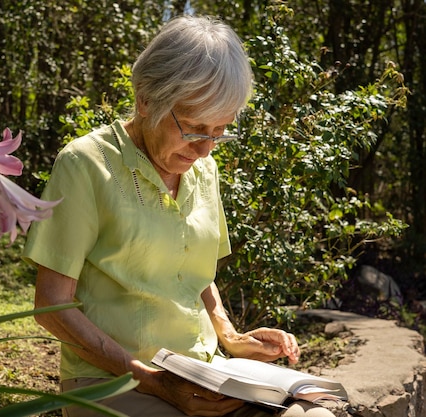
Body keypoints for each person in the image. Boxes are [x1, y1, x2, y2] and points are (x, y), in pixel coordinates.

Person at [23, 14, 337, 417]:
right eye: (193, 128)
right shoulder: (85, 165)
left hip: (201, 375)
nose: (206, 149)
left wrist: (230, 334)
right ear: (146, 100)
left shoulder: (203, 170)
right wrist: (154, 382)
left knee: (315, 414)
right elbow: (51, 304)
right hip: (110, 382)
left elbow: (194, 272)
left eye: (220, 131)